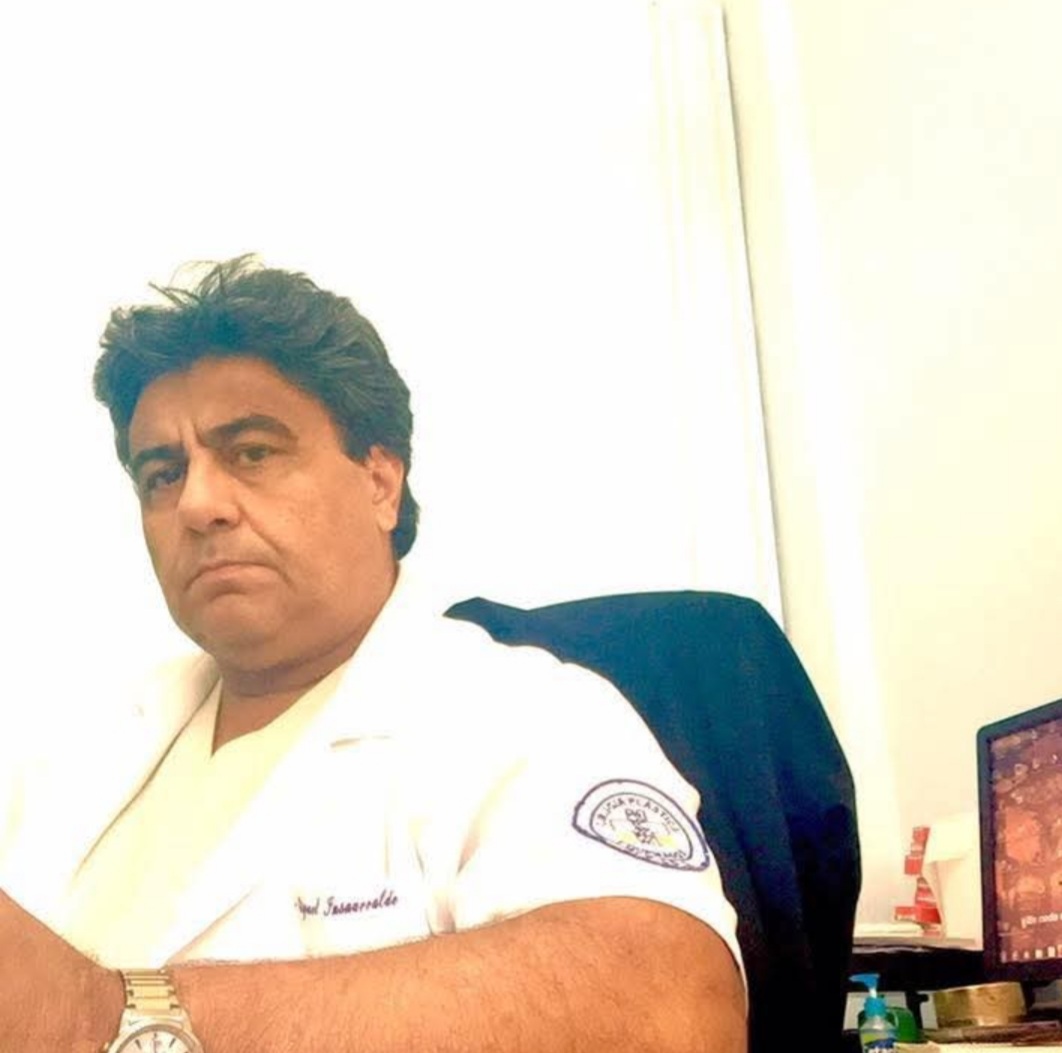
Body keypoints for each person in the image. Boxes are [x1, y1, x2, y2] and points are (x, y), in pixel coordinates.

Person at [0, 256, 747, 1053]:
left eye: (251, 452)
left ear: (381, 483)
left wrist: (99, 1018)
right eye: (162, 473)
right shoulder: (82, 751)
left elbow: (671, 1012)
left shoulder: (529, 714)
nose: (198, 503)